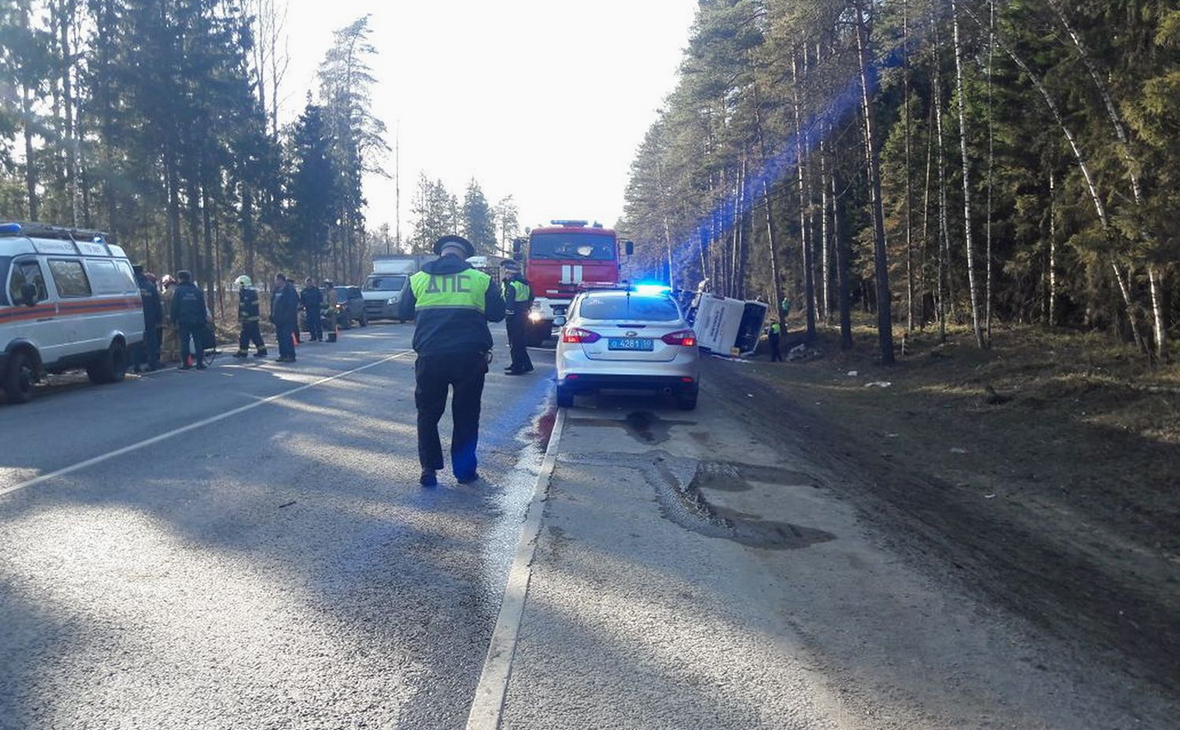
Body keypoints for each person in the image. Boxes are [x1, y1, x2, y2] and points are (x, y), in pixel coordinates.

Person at [399, 234, 505, 487]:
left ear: (441, 253)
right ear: (463, 256)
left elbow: (402, 312)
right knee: (466, 414)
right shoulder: (480, 280)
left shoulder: (418, 279)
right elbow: (498, 314)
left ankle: (429, 469)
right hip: (469, 358)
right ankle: (464, 471)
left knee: (427, 413)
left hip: (430, 356)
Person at [501, 260, 534, 375]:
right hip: (523, 314)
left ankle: (517, 367)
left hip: (514, 316)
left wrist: (508, 316)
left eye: (506, 272)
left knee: (514, 342)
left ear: (510, 273)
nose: (505, 275)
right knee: (520, 341)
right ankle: (526, 364)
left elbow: (510, 303)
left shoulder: (512, 285)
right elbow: (531, 297)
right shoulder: (524, 283)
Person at [170, 270, 208, 370]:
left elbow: (175, 307)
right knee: (198, 342)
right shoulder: (197, 290)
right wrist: (204, 320)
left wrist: (173, 320)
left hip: (184, 320)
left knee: (184, 343)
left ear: (180, 279)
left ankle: (186, 363)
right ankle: (200, 363)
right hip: (197, 320)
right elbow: (202, 307)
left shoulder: (178, 291)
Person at [132, 265, 163, 373]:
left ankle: (136, 365)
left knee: (136, 342)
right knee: (151, 342)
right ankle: (152, 364)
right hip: (150, 317)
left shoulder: (130, 285)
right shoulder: (150, 286)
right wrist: (159, 318)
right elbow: (157, 304)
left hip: (134, 318)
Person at [232, 275, 268, 359]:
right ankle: (260, 350)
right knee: (252, 335)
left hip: (249, 319)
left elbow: (247, 307)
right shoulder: (248, 292)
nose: (238, 287)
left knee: (246, 335)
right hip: (251, 319)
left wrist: (243, 317)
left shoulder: (248, 293)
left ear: (243, 283)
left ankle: (244, 352)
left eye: (239, 284)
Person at [270, 273, 299, 363]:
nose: (276, 282)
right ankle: (282, 355)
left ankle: (290, 355)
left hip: (288, 319)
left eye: (277, 280)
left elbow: (292, 305)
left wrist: (286, 316)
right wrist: (272, 314)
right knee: (280, 337)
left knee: (286, 336)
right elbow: (273, 303)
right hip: (278, 318)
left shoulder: (290, 290)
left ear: (281, 280)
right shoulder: (276, 290)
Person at [160, 274, 180, 363]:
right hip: (179, 320)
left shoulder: (167, 293)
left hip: (169, 321)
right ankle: (177, 356)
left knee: (166, 341)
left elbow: (163, 306)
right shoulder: (179, 290)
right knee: (178, 340)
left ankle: (165, 359)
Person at [301, 277, 324, 342]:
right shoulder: (304, 291)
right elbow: (302, 301)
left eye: (310, 282)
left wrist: (319, 305)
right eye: (307, 283)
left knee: (317, 323)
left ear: (312, 283)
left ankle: (320, 336)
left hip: (316, 309)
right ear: (306, 283)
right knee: (310, 323)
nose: (309, 284)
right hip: (308, 309)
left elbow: (320, 298)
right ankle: (313, 336)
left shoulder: (316, 290)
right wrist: (303, 307)